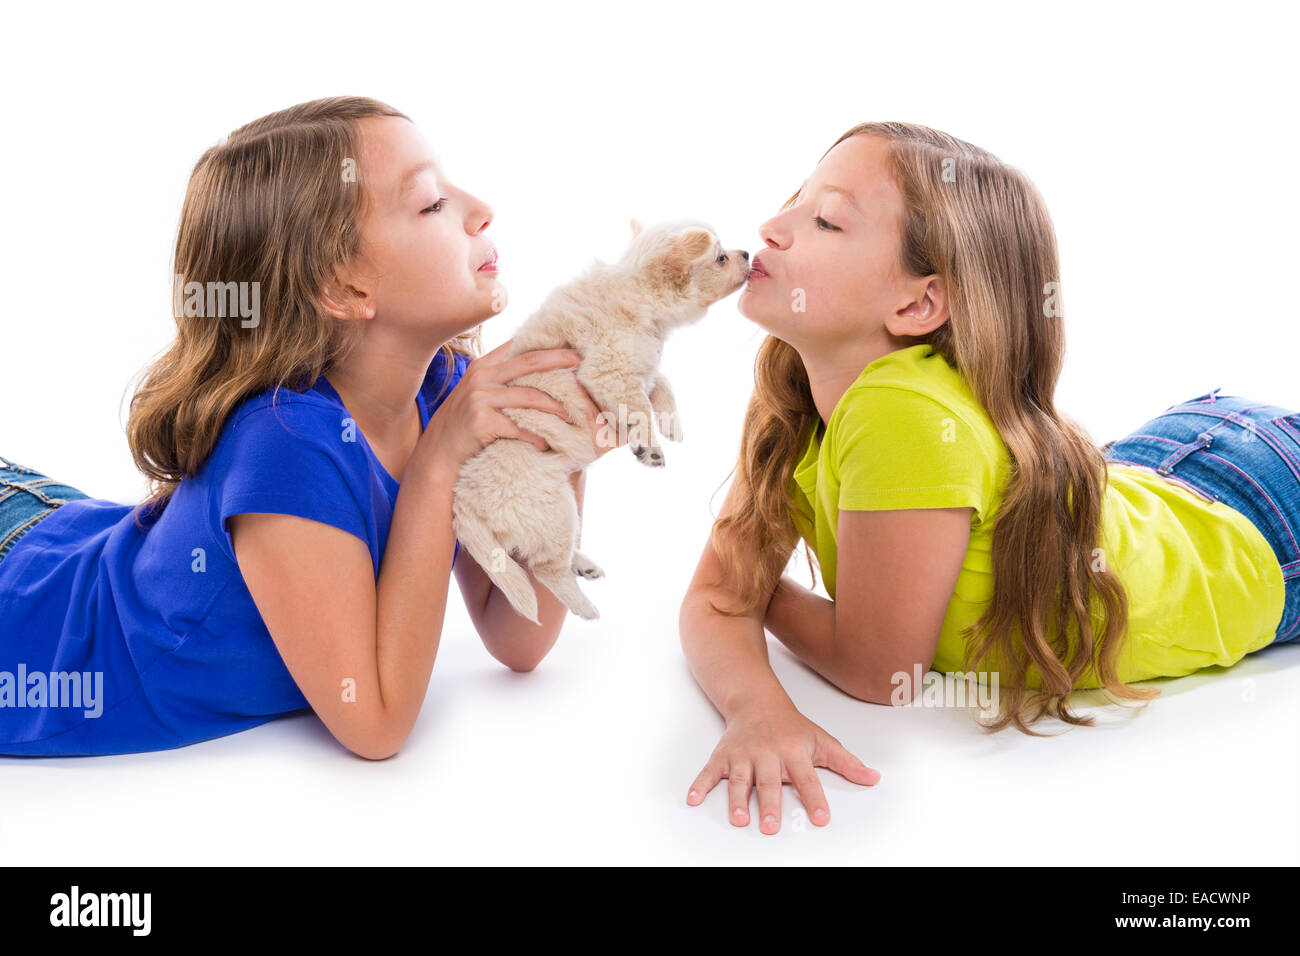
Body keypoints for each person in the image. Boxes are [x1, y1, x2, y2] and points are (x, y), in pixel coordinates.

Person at [679, 122, 1299, 834]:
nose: (771, 227)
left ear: (917, 305)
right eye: (797, 199)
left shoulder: (899, 411)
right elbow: (718, 600)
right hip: (1170, 463)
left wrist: (752, 591)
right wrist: (758, 702)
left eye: (825, 220)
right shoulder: (800, 389)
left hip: (1267, 529)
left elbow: (875, 669)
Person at [0, 96, 617, 758]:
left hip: (55, 530)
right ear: (347, 290)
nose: (480, 209)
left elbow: (518, 637)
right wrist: (439, 464)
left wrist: (562, 453)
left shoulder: (441, 391)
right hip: (29, 628)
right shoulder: (285, 447)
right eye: (432, 203)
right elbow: (374, 725)